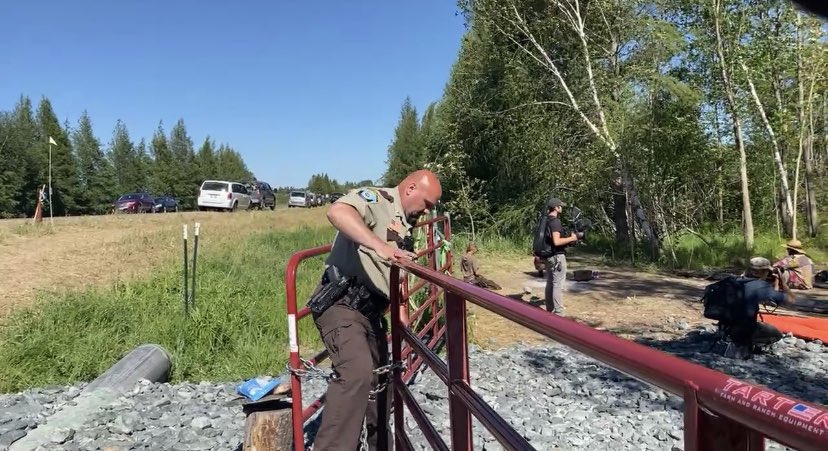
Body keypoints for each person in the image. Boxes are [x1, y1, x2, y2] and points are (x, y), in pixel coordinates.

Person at [310, 169, 442, 451]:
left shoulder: (407, 222)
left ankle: (381, 445)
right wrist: (378, 245)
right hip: (341, 303)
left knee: (381, 382)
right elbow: (338, 212)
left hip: (371, 313)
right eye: (427, 204)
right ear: (410, 189)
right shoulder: (375, 199)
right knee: (357, 372)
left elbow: (394, 269)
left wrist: (401, 307)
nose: (428, 212)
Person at [724, 257, 796, 359]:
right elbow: (791, 299)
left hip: (727, 326)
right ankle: (747, 345)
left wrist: (775, 283)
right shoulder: (759, 286)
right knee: (776, 334)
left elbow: (768, 299)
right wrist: (782, 282)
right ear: (763, 272)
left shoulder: (735, 281)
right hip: (744, 329)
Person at [542, 197, 583, 314]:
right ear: (556, 207)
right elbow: (557, 242)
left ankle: (549, 309)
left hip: (549, 256)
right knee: (557, 284)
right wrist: (573, 238)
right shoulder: (555, 221)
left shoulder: (546, 220)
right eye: (560, 206)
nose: (562, 208)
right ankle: (559, 312)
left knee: (550, 282)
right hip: (556, 257)